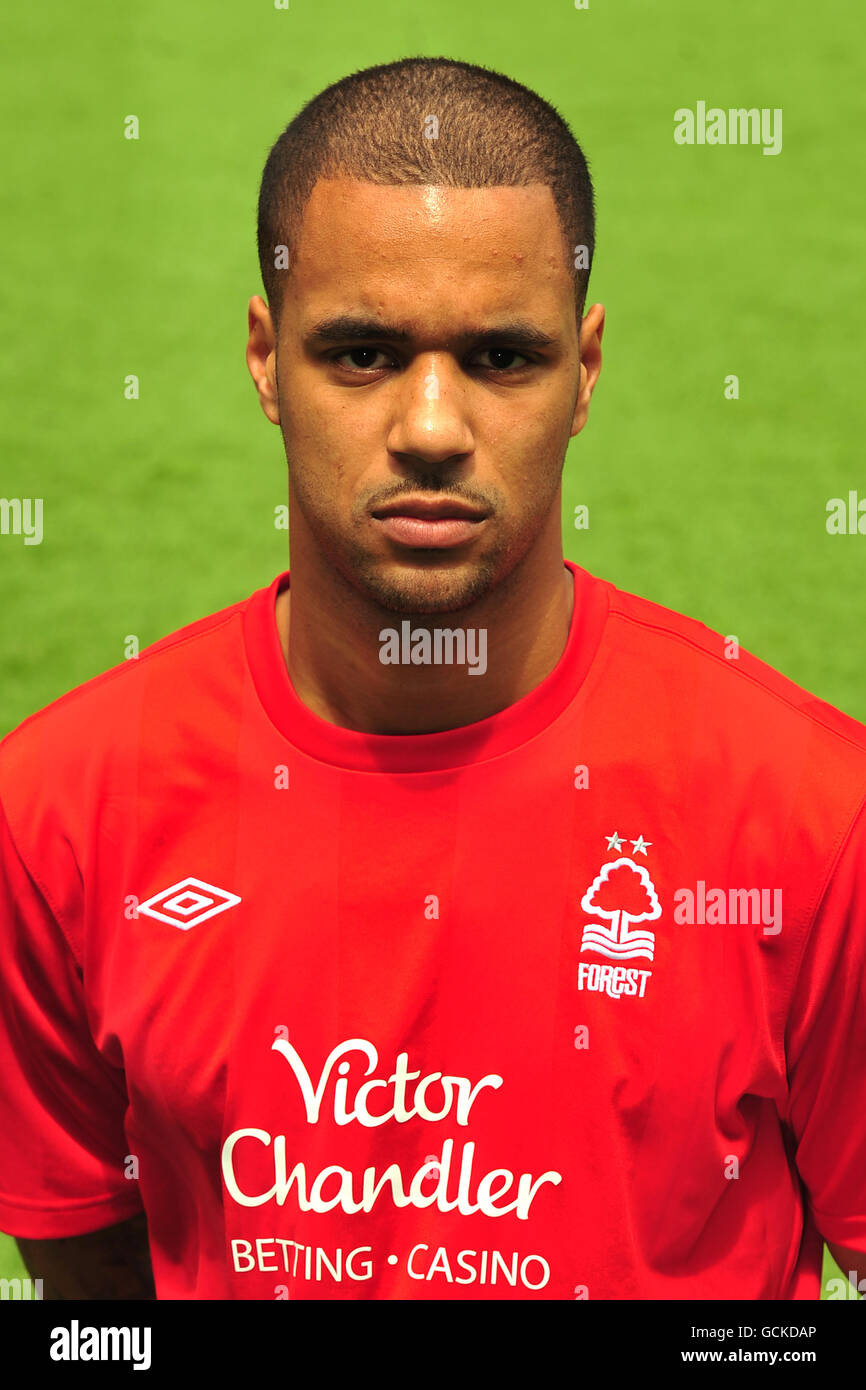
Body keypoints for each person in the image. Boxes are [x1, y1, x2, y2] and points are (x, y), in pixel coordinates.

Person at [1, 56, 864, 1301]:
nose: (429, 426)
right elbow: (88, 1282)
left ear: (585, 368)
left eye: (501, 358)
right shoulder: (61, 813)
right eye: (359, 353)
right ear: (263, 355)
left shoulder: (808, 821)